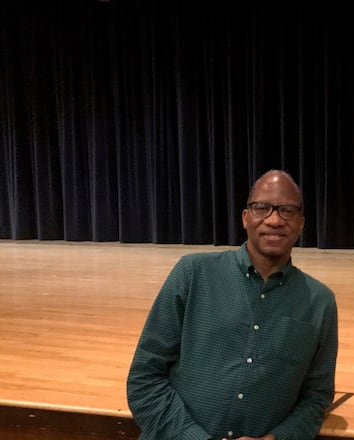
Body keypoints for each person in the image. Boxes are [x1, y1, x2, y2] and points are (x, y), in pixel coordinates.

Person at [127, 169, 339, 440]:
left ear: (300, 224)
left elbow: (317, 397)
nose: (274, 219)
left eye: (287, 210)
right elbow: (144, 379)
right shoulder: (192, 274)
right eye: (262, 208)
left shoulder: (320, 302)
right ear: (245, 217)